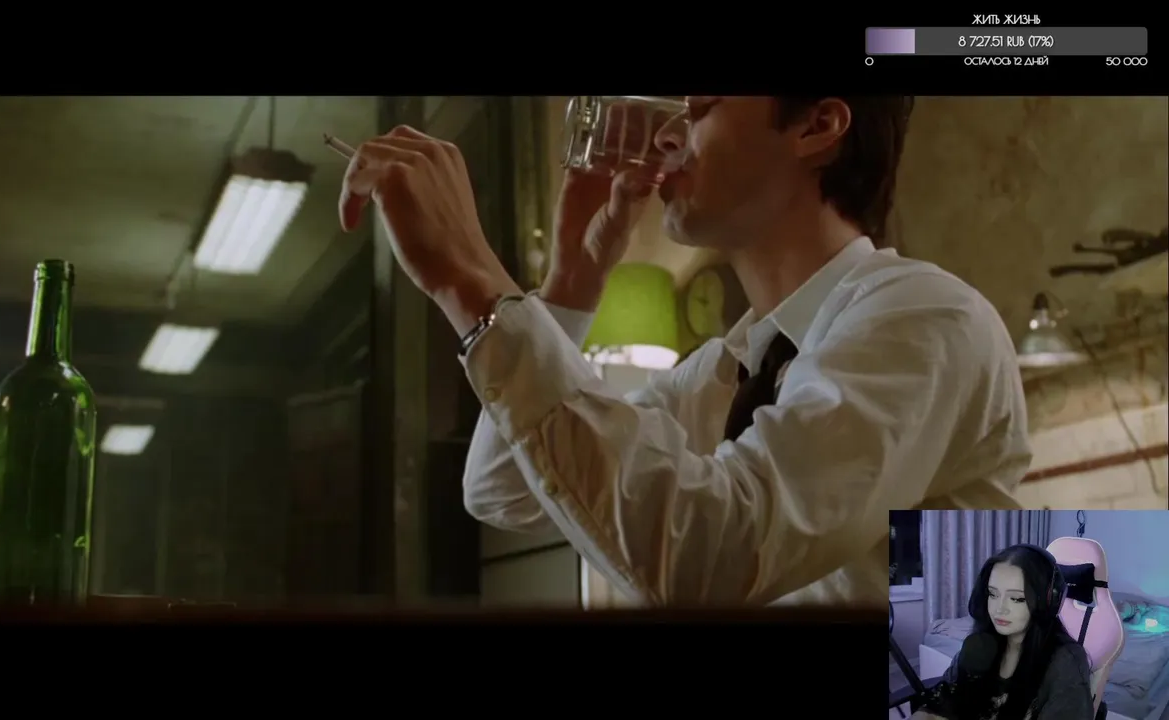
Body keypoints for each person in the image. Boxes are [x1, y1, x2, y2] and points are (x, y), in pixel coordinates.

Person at [335, 96, 1032, 606]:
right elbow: (502, 489)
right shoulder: (728, 368)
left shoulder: (925, 315)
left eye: (701, 107)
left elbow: (715, 560)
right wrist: (570, 286)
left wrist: (473, 280)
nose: (669, 135)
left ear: (817, 125)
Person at [912, 545, 1092, 720]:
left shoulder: (1066, 662)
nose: (999, 609)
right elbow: (942, 703)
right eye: (993, 594)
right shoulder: (981, 646)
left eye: (1016, 598)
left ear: (1046, 602)